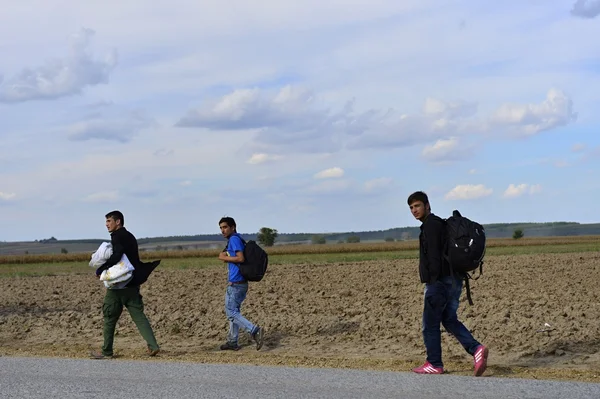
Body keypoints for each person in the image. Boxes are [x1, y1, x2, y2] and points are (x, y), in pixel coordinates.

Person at [407, 191, 488, 376]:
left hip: (440, 282)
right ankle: (476, 350)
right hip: (455, 279)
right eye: (411, 207)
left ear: (427, 205)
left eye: (417, 206)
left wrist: (433, 282)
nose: (414, 210)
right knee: (449, 319)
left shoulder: (431, 226)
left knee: (430, 323)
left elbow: (434, 257)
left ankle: (434, 363)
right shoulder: (438, 224)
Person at [90, 210, 161, 359]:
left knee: (109, 317)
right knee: (139, 316)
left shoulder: (117, 236)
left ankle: (107, 351)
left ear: (118, 222)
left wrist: (101, 269)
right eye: (106, 221)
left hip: (117, 287)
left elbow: (116, 256)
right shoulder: (130, 236)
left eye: (109, 221)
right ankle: (153, 345)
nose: (106, 224)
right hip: (133, 284)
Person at [218, 217, 264, 351]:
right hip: (239, 283)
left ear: (233, 227)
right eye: (221, 228)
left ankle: (254, 330)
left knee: (231, 313)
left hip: (236, 283)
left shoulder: (234, 239)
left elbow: (240, 258)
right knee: (234, 311)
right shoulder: (235, 239)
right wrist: (225, 255)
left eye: (225, 227)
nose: (223, 230)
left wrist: (224, 258)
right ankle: (232, 342)